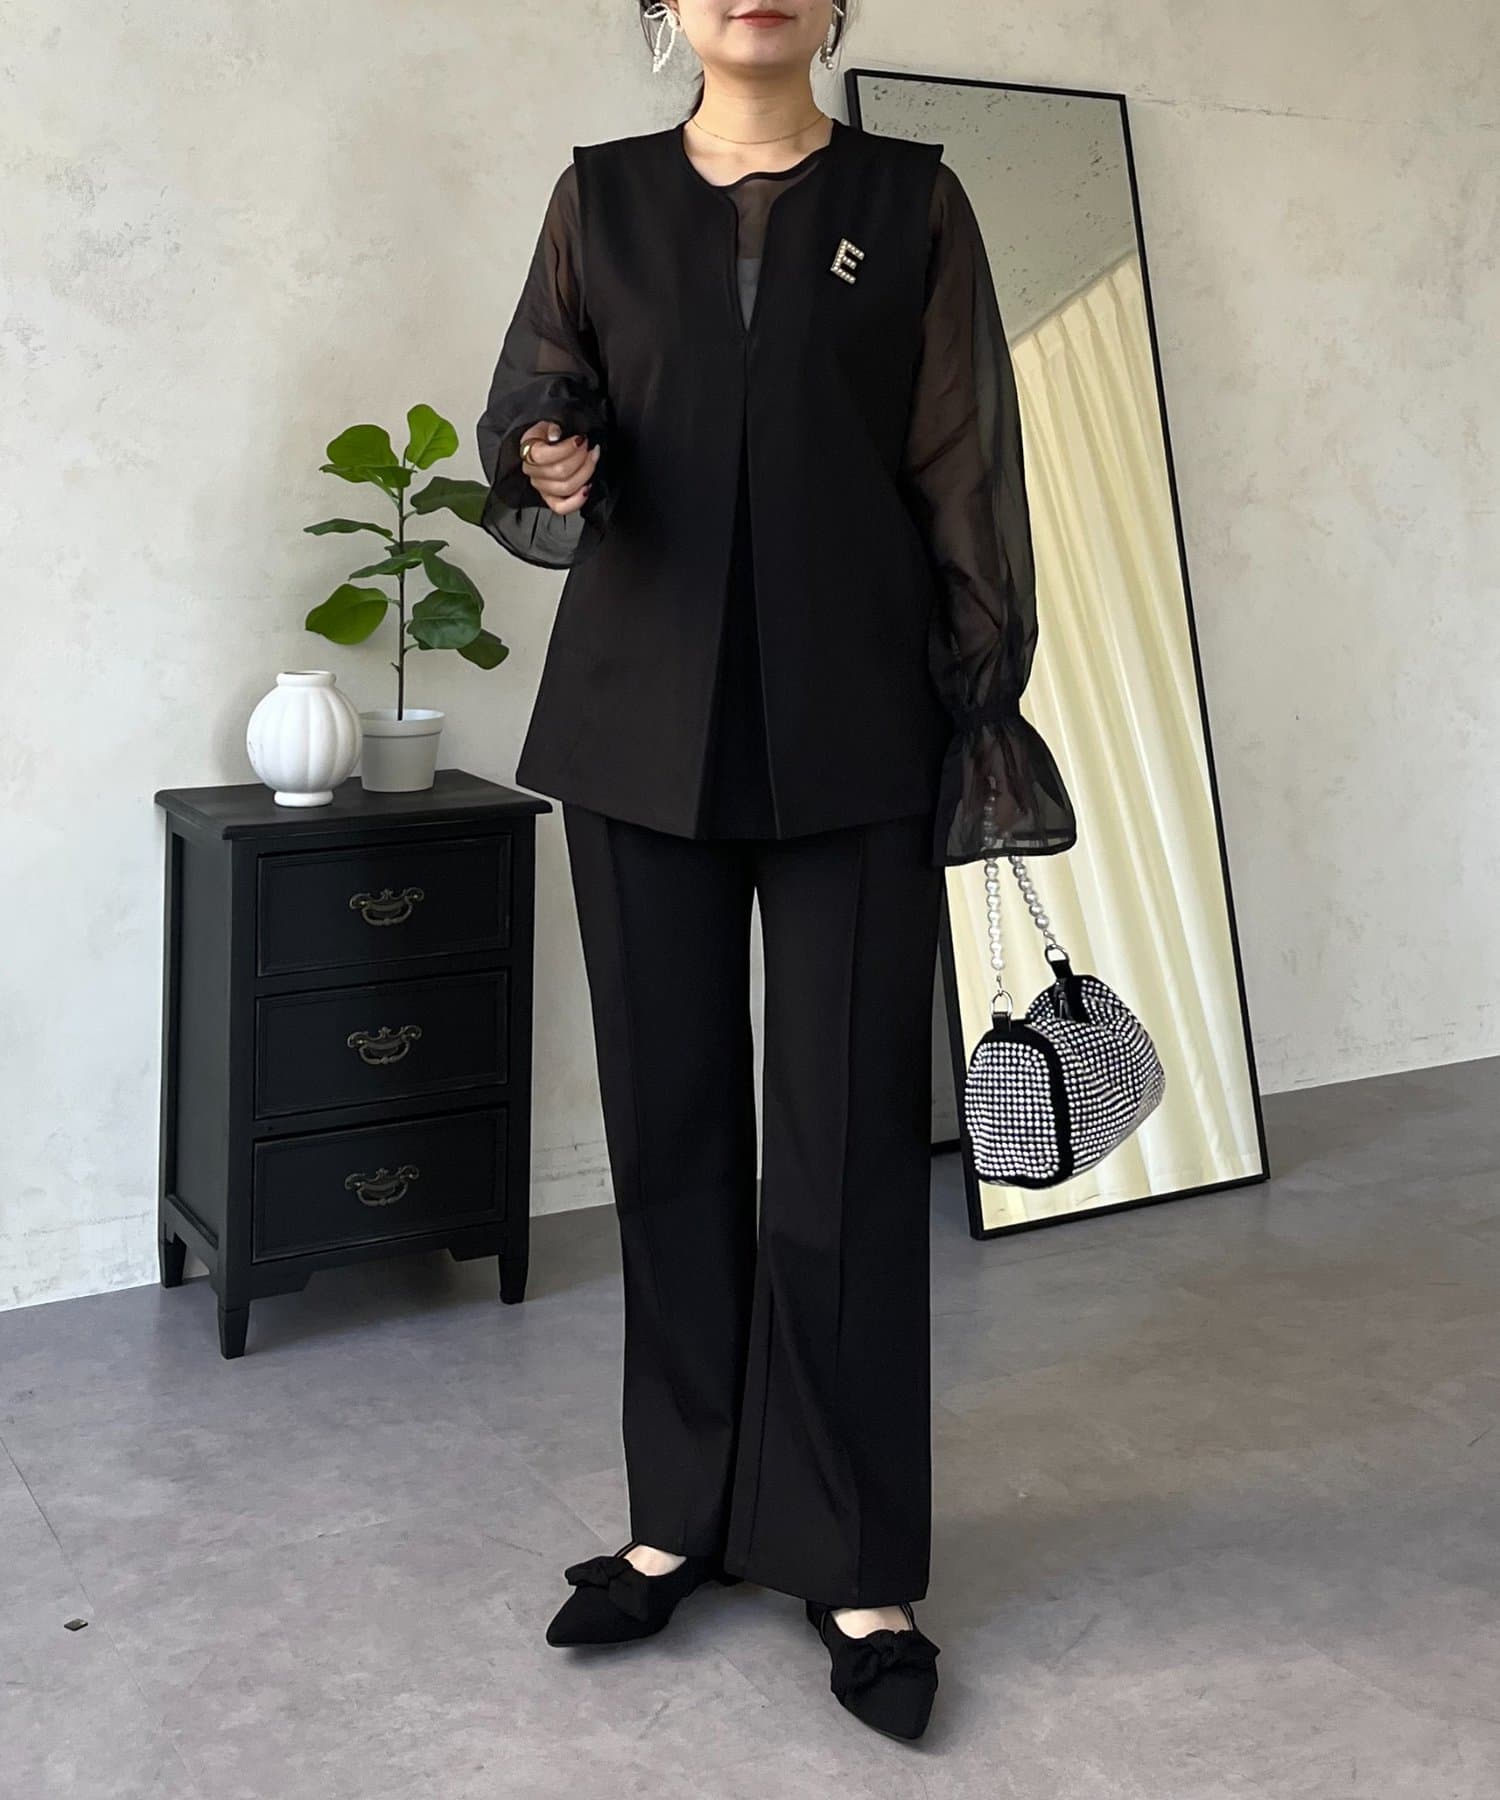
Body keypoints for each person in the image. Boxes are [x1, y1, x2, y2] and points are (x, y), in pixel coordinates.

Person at [476, 0, 1076, 1743]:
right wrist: (549, 452)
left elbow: (964, 461)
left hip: (856, 726)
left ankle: (855, 1553)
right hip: (633, 727)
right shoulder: (597, 198)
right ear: (661, 10)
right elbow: (530, 409)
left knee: (848, 1151)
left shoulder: (914, 200)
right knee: (668, 1131)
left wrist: (981, 701)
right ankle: (678, 1517)